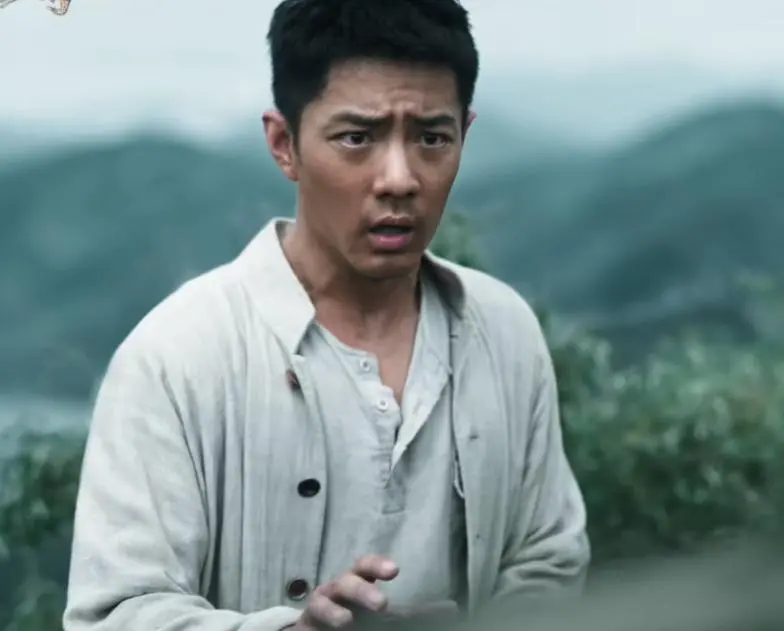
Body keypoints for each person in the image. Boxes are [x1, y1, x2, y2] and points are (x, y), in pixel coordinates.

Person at [62, 1, 590, 630]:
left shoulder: (502, 332)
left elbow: (548, 557)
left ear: (464, 135)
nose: (399, 179)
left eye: (431, 137)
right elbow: (116, 613)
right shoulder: (178, 357)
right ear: (284, 144)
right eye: (357, 138)